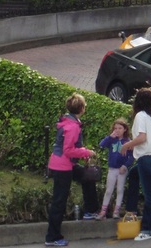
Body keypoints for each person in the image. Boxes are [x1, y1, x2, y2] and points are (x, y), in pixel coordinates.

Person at [45, 92, 100, 246]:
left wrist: (82, 154)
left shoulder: (69, 121)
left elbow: (69, 148)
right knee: (59, 201)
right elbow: (68, 150)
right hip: (63, 166)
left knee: (87, 177)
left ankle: (90, 210)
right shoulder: (73, 127)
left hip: (64, 163)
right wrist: (87, 152)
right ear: (81, 108)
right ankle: (52, 237)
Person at [120, 88, 151, 242]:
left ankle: (147, 229)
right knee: (133, 175)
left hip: (146, 158)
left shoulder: (141, 116)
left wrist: (126, 145)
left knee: (149, 196)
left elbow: (142, 138)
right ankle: (131, 210)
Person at [96, 118, 134, 220]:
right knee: (109, 190)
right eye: (115, 128)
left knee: (120, 189)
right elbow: (101, 145)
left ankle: (116, 210)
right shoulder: (111, 139)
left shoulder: (128, 142)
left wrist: (125, 166)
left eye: (120, 128)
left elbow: (132, 157)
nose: (117, 130)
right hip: (112, 168)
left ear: (125, 129)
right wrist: (109, 137)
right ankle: (103, 211)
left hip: (122, 170)